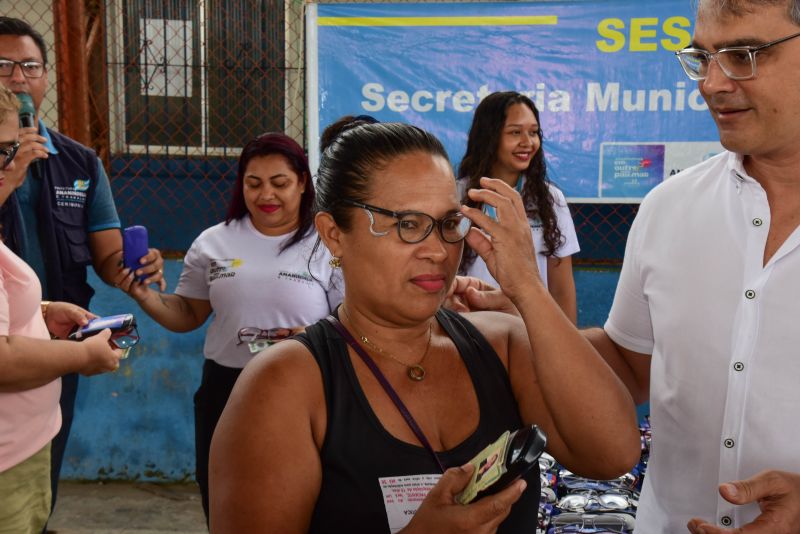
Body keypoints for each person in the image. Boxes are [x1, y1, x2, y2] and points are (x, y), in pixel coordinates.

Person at [208, 121, 640, 533]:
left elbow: (612, 453)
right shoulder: (284, 385)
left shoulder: (500, 344)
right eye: (407, 224)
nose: (437, 250)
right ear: (334, 234)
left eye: (448, 224)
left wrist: (528, 289)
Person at [579, 1, 800, 532]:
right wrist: (519, 326)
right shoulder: (667, 208)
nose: (712, 84)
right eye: (703, 57)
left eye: (744, 54)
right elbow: (634, 370)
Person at [115, 132, 342, 522]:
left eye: (280, 182)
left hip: (305, 384)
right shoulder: (214, 243)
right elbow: (188, 314)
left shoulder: (326, 243)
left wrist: (312, 336)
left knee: (303, 495)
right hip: (226, 386)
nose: (265, 194)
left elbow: (350, 321)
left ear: (303, 183)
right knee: (223, 495)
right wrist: (144, 295)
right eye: (253, 183)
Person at [0, 17, 165, 517]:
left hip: (54, 336)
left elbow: (108, 258)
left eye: (30, 65)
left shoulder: (78, 162)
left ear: (46, 77)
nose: (17, 77)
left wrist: (136, 270)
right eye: (3, 65)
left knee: (40, 463)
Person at [0, 84, 122, 534]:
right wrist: (85, 356)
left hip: (23, 447)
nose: (11, 163)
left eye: (11, 149)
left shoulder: (77, 162)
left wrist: (44, 309)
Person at [458, 91, 579, 323]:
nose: (528, 142)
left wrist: (567, 346)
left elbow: (562, 288)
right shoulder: (457, 195)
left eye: (533, 132)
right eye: (515, 132)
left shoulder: (551, 199)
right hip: (470, 329)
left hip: (531, 329)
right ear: (489, 137)